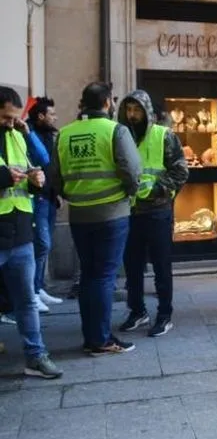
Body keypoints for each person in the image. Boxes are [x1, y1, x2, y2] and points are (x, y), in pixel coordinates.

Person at [52, 81, 142, 355]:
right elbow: (132, 171)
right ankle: (100, 339)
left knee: (89, 276)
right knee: (103, 277)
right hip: (111, 213)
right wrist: (129, 194)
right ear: (106, 102)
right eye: (112, 100)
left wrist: (73, 194)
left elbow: (55, 177)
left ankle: (92, 335)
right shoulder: (115, 130)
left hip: (79, 214)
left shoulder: (64, 133)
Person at [0, 87, 62, 378]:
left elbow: (35, 166)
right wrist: (4, 176)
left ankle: (36, 356)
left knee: (26, 300)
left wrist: (35, 181)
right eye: (5, 117)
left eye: (14, 118)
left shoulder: (17, 135)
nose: (11, 123)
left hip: (20, 230)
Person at [115, 90, 188, 337]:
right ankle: (137, 311)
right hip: (129, 211)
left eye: (137, 109)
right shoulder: (121, 136)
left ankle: (164, 314)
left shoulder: (164, 135)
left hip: (158, 211)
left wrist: (157, 189)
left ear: (146, 111)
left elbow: (180, 171)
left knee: (161, 266)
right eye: (129, 109)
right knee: (132, 266)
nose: (132, 114)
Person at [25, 97, 63, 311]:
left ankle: (38, 288)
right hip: (36, 197)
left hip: (48, 196)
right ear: (40, 116)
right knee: (41, 244)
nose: (55, 118)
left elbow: (52, 167)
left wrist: (56, 193)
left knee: (44, 245)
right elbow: (43, 161)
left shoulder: (48, 134)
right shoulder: (28, 134)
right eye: (52, 114)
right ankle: (32, 291)